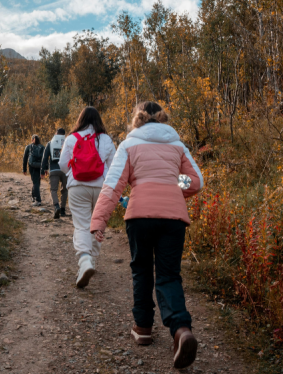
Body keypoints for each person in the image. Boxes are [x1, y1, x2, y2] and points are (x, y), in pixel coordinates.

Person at [89, 101, 204, 370]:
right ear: (162, 118)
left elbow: (114, 185)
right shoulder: (177, 144)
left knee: (141, 269)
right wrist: (173, 186)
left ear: (137, 119)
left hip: (140, 215)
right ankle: (181, 330)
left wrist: (99, 221)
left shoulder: (129, 144)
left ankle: (142, 328)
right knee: (169, 274)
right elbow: (196, 180)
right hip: (173, 217)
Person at [58, 107, 116, 288]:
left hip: (77, 187)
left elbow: (62, 164)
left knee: (82, 224)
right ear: (99, 120)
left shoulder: (71, 138)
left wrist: (74, 173)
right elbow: (114, 166)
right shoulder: (106, 139)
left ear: (80, 120)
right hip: (101, 187)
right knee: (97, 223)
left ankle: (85, 261)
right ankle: (92, 258)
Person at [40, 128, 69, 219]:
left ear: (56, 133)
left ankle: (56, 206)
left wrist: (43, 170)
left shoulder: (50, 143)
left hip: (53, 169)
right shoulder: (68, 142)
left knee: (53, 190)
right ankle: (63, 209)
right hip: (65, 170)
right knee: (65, 190)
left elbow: (44, 158)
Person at [22, 135, 45, 205]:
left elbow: (25, 159)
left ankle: (38, 200)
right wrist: (45, 168)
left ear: (32, 140)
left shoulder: (28, 147)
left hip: (32, 167)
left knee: (35, 182)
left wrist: (24, 169)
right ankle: (33, 196)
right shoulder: (42, 147)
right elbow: (45, 158)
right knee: (37, 181)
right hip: (40, 166)